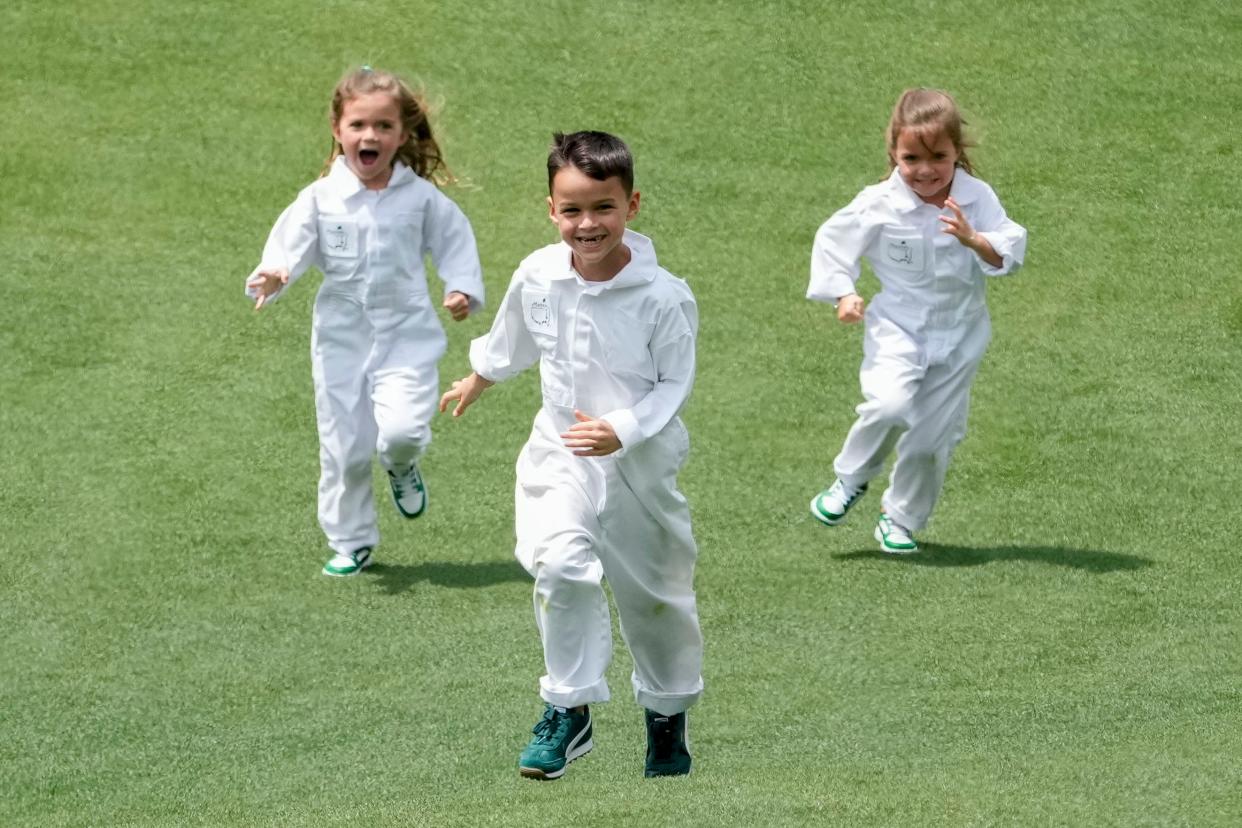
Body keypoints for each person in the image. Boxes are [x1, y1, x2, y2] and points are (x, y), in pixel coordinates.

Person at [440, 131, 702, 780]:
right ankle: (570, 706)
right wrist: (480, 377)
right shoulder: (538, 274)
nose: (588, 225)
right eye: (573, 210)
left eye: (603, 208)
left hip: (639, 466)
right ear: (551, 210)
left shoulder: (664, 296)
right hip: (559, 455)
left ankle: (666, 718)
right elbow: (514, 337)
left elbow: (675, 382)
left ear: (631, 205)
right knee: (559, 566)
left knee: (656, 599)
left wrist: (623, 429)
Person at [246, 66, 484, 576]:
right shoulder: (319, 199)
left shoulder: (419, 198)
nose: (369, 136)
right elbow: (289, 247)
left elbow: (454, 240)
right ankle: (351, 540)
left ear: (401, 135)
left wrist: (460, 287)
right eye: (357, 125)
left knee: (399, 431)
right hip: (339, 338)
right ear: (338, 130)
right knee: (344, 447)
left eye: (382, 126)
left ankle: (402, 466)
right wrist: (274, 273)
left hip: (407, 334)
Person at [807, 88, 1027, 553]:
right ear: (893, 153)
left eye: (938, 157)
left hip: (962, 334)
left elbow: (1009, 248)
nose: (925, 170)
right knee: (887, 407)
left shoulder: (976, 198)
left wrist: (973, 238)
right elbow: (833, 242)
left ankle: (900, 520)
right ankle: (850, 480)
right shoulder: (877, 203)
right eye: (911, 158)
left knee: (932, 440)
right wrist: (844, 294)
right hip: (898, 329)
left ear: (956, 153)